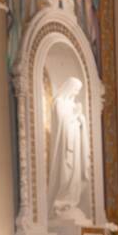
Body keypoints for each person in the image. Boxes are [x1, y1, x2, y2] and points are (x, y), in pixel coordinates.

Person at [47, 76, 91, 224]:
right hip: (64, 147)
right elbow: (61, 123)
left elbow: (78, 123)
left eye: (78, 91)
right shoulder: (59, 102)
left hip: (75, 146)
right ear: (69, 87)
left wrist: (81, 119)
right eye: (75, 90)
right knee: (65, 175)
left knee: (75, 177)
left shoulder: (72, 105)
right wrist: (75, 116)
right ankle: (61, 202)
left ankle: (71, 202)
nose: (76, 93)